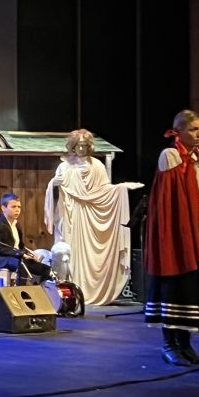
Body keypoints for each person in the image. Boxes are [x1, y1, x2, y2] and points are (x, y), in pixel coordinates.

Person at [145, 109, 199, 366]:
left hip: (198, 225)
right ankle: (170, 344)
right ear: (179, 131)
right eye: (193, 129)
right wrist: (196, 162)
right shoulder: (171, 155)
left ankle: (185, 344)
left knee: (192, 285)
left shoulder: (197, 157)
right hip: (176, 228)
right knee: (175, 282)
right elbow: (175, 188)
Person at [45, 129, 140, 305]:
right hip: (71, 214)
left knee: (94, 254)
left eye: (84, 145)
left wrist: (120, 189)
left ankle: (92, 288)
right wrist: (53, 184)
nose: (81, 149)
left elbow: (104, 190)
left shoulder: (97, 166)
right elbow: (56, 190)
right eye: (78, 145)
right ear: (73, 146)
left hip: (91, 215)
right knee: (69, 252)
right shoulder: (65, 166)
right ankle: (71, 291)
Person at [0, 194, 47, 285]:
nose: (17, 210)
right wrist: (20, 254)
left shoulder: (17, 225)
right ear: (3, 208)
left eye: (19, 207)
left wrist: (29, 254)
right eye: (13, 207)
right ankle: (21, 290)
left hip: (16, 257)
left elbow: (20, 246)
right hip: (0, 259)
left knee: (44, 269)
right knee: (23, 266)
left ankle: (39, 290)